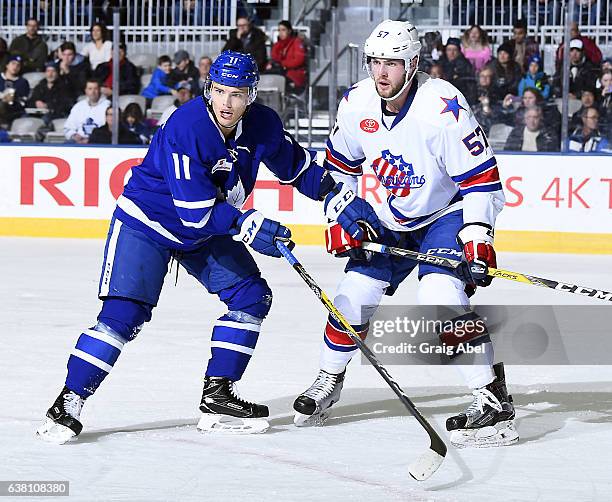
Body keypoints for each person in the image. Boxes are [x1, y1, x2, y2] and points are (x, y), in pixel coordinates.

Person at [36, 51, 373, 442]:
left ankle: (218, 395)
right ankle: (69, 400)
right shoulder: (188, 126)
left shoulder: (262, 124)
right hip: (149, 223)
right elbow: (195, 214)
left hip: (206, 227)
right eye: (220, 91)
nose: (227, 103)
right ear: (208, 88)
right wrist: (248, 223)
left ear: (251, 95)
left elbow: (297, 167)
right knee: (122, 316)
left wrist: (336, 197)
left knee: (251, 298)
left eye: (237, 94)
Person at [292, 20, 517, 449]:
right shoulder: (356, 104)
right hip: (392, 215)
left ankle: (490, 397)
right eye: (374, 61)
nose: (381, 72)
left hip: (446, 214)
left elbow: (482, 180)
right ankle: (329, 379)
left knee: (440, 294)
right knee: (352, 295)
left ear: (412, 64)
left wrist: (477, 235)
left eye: (391, 63)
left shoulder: (443, 105)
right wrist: (343, 216)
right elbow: (339, 171)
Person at [63, 78, 110, 143]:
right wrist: (74, 136)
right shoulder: (78, 106)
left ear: (99, 90)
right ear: (86, 91)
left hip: (99, 142)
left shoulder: (107, 106)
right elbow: (68, 128)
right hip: (78, 141)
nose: (93, 92)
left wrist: (91, 140)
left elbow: (109, 130)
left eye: (95, 89)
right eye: (90, 89)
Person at [27, 61, 73, 125]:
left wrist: (47, 106)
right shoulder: (40, 86)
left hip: (55, 115)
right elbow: (30, 101)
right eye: (48, 71)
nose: (50, 74)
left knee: (44, 120)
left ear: (57, 73)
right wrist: (36, 103)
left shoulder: (63, 87)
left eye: (53, 71)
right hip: (38, 113)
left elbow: (64, 105)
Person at [268, 20, 307, 94]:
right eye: (279, 30)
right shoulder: (278, 45)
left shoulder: (296, 42)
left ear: (289, 31)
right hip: (281, 72)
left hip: (294, 74)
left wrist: (283, 64)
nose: (281, 33)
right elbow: (274, 57)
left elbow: (299, 60)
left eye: (283, 30)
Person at [439, 37, 476, 103]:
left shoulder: (465, 65)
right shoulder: (440, 62)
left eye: (454, 50)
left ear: (459, 51)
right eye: (449, 50)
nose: (451, 53)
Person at [0, 55, 30, 127]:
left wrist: (14, 99)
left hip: (14, 111)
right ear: (7, 65)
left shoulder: (22, 82)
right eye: (13, 63)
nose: (15, 67)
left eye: (18, 65)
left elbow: (23, 101)